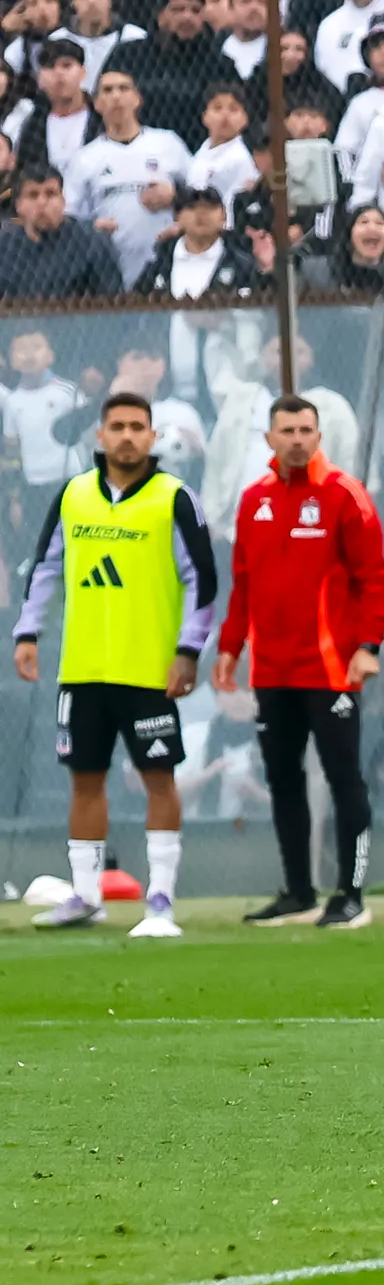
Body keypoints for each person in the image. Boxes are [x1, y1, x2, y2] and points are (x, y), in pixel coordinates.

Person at [12, 391, 219, 937]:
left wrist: (188, 651)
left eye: (138, 427)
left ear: (153, 437)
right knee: (85, 780)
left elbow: (203, 578)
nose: (127, 436)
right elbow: (45, 567)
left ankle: (160, 899)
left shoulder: (175, 498)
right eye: (117, 426)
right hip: (81, 669)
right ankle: (85, 894)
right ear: (99, 436)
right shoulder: (73, 495)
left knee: (158, 779)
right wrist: (27, 633)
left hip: (150, 672)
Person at [214, 395, 384, 930]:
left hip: (332, 668)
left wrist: (369, 646)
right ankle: (298, 892)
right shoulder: (253, 501)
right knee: (283, 780)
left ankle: (352, 894)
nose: (297, 439)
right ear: (269, 438)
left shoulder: (344, 494)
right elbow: (243, 586)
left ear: (320, 436)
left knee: (343, 777)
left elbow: (375, 579)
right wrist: (228, 650)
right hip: (271, 670)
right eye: (287, 430)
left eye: (306, 430)